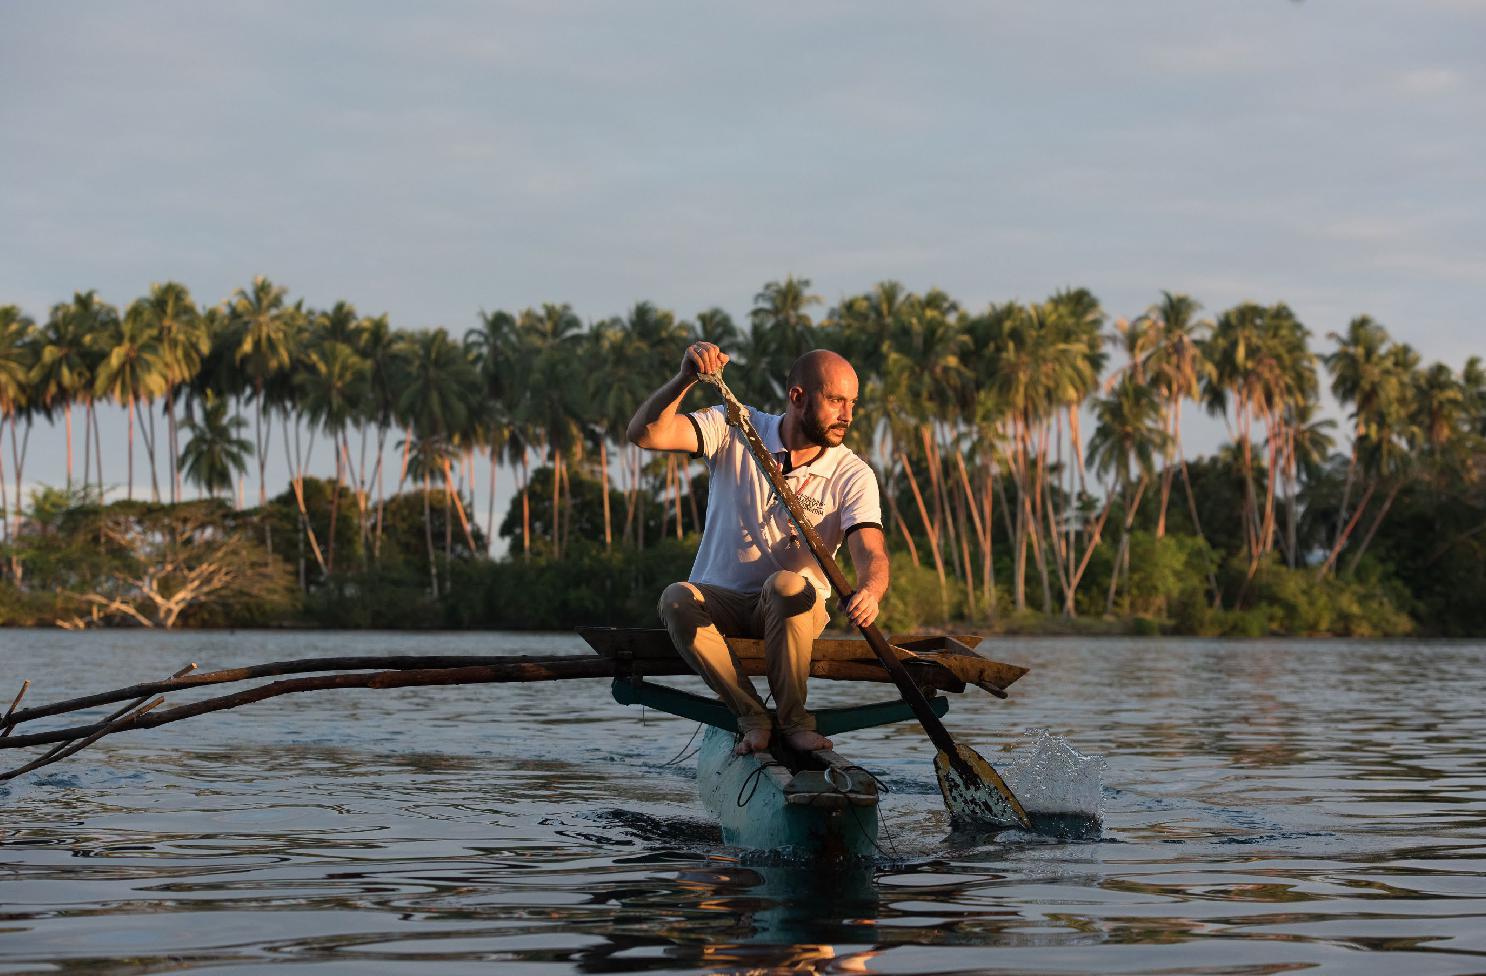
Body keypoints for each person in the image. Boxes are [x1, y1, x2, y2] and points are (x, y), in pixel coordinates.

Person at [627, 341, 890, 756]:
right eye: (837, 400)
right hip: (724, 605)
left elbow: (870, 550)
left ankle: (794, 721)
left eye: (853, 403)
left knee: (785, 584)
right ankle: (750, 714)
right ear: (798, 397)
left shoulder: (852, 473)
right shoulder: (735, 425)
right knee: (676, 597)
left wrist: (870, 590)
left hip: (792, 609)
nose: (848, 415)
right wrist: (685, 379)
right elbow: (644, 434)